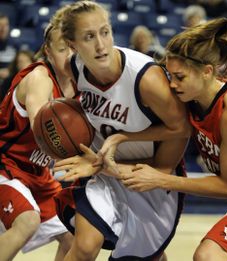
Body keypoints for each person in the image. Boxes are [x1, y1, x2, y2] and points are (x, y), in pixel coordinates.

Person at [99, 18, 227, 260]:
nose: (172, 85)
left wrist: (163, 180)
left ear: (207, 71)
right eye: (170, 76)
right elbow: (176, 130)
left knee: (208, 255)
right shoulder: (192, 100)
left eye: (180, 77)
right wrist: (117, 142)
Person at [52, 1, 190, 261]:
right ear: (73, 44)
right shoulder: (75, 67)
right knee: (84, 245)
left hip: (148, 177)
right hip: (101, 171)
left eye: (105, 32)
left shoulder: (146, 78)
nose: (101, 45)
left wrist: (122, 138)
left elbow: (182, 128)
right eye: (89, 37)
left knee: (145, 255)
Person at [0, 16, 75, 260]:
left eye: (73, 48)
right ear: (48, 51)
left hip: (36, 174)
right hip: (6, 164)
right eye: (62, 49)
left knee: (75, 237)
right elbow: (42, 130)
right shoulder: (39, 79)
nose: (70, 54)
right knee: (28, 221)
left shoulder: (79, 84)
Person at [0, 12, 17, 85]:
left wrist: (10, 71)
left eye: (6, 25)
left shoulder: (15, 44)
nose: (3, 28)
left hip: (10, 81)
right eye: (0, 25)